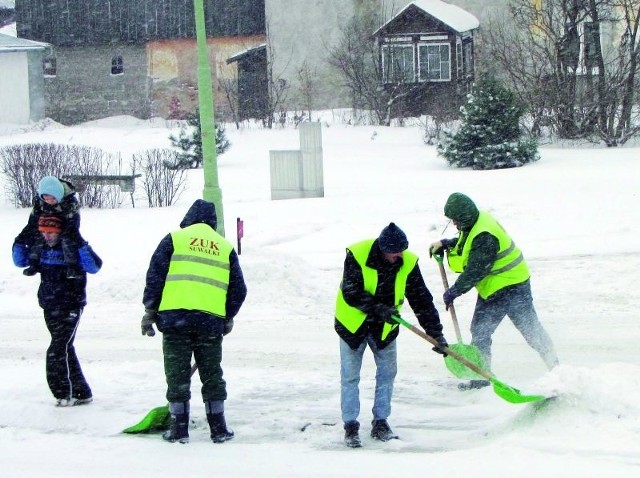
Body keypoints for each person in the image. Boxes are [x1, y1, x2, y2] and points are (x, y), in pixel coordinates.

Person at [141, 199, 247, 445]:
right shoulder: (224, 247)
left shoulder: (174, 239)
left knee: (177, 374)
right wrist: (226, 317)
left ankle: (179, 429)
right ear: (213, 222)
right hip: (209, 323)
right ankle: (218, 428)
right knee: (212, 374)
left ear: (188, 217)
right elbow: (239, 290)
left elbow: (155, 276)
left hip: (175, 319)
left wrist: (150, 310)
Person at [430, 192, 559, 390]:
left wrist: (455, 290)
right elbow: (467, 244)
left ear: (465, 216)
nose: (454, 224)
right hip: (495, 286)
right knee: (481, 331)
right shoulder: (474, 221)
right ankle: (482, 378)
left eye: (456, 220)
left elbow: (476, 269)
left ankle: (557, 370)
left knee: (529, 329)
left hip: (511, 285)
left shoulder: (484, 234)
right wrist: (447, 244)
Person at [335, 222, 448, 448]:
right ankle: (350, 425)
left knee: (387, 374)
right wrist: (378, 308)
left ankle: (381, 422)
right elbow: (350, 291)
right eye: (393, 252)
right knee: (350, 376)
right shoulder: (357, 254)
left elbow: (421, 300)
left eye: (400, 252)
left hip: (385, 328)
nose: (397, 256)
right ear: (382, 248)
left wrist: (436, 334)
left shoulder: (407, 262)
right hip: (352, 327)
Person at [12, 215, 102, 406]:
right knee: (65, 347)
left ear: (60, 231)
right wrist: (20, 239)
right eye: (43, 232)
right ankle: (82, 392)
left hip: (71, 304)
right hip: (49, 303)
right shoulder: (39, 247)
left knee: (57, 348)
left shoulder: (71, 245)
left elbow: (94, 267)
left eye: (51, 232)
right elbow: (19, 261)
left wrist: (80, 242)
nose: (47, 236)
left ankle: (61, 393)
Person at [15, 176, 85, 279]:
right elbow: (33, 221)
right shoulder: (39, 202)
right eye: (46, 199)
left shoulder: (70, 202)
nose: (50, 201)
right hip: (45, 225)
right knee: (36, 239)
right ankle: (34, 264)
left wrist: (66, 232)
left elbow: (74, 221)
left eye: (53, 198)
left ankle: (72, 267)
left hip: (65, 226)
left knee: (67, 242)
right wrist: (25, 235)